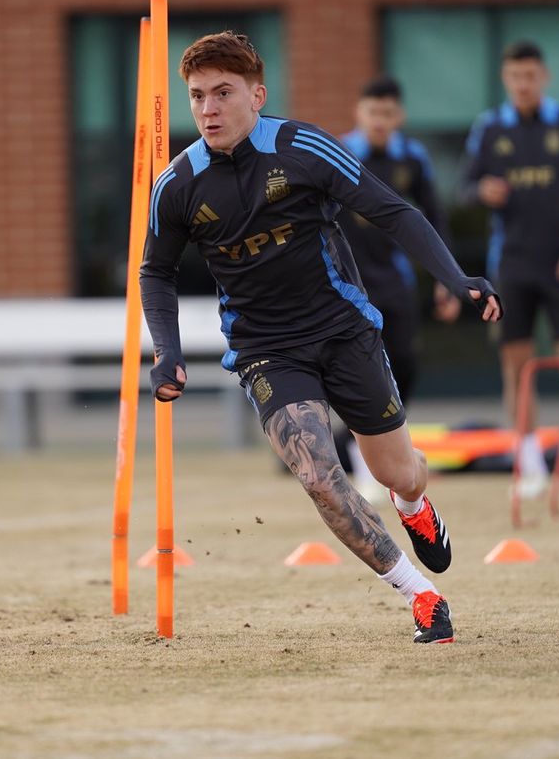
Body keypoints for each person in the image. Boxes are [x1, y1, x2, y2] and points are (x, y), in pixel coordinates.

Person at [140, 32, 501, 644]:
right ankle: (421, 596)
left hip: (343, 331)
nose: (208, 109)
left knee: (399, 472)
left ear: (257, 95)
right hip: (266, 350)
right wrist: (168, 353)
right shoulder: (177, 185)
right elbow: (156, 271)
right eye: (197, 96)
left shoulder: (302, 148)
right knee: (318, 476)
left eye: (223, 93)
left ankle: (414, 506)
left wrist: (454, 275)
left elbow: (393, 211)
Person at [460, 40, 559, 499]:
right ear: (506, 80)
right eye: (515, 77)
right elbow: (464, 187)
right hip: (511, 266)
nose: (523, 85)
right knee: (516, 368)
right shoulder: (489, 129)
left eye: (530, 76)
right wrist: (481, 190)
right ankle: (528, 469)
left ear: (543, 77)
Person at [335, 76, 461, 497]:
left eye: (388, 114)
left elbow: (434, 218)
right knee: (358, 370)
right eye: (373, 112)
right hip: (347, 284)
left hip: (396, 281)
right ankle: (363, 463)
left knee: (403, 363)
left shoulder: (414, 159)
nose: (380, 121)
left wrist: (448, 278)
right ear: (360, 113)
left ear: (399, 117)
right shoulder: (337, 152)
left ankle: (376, 448)